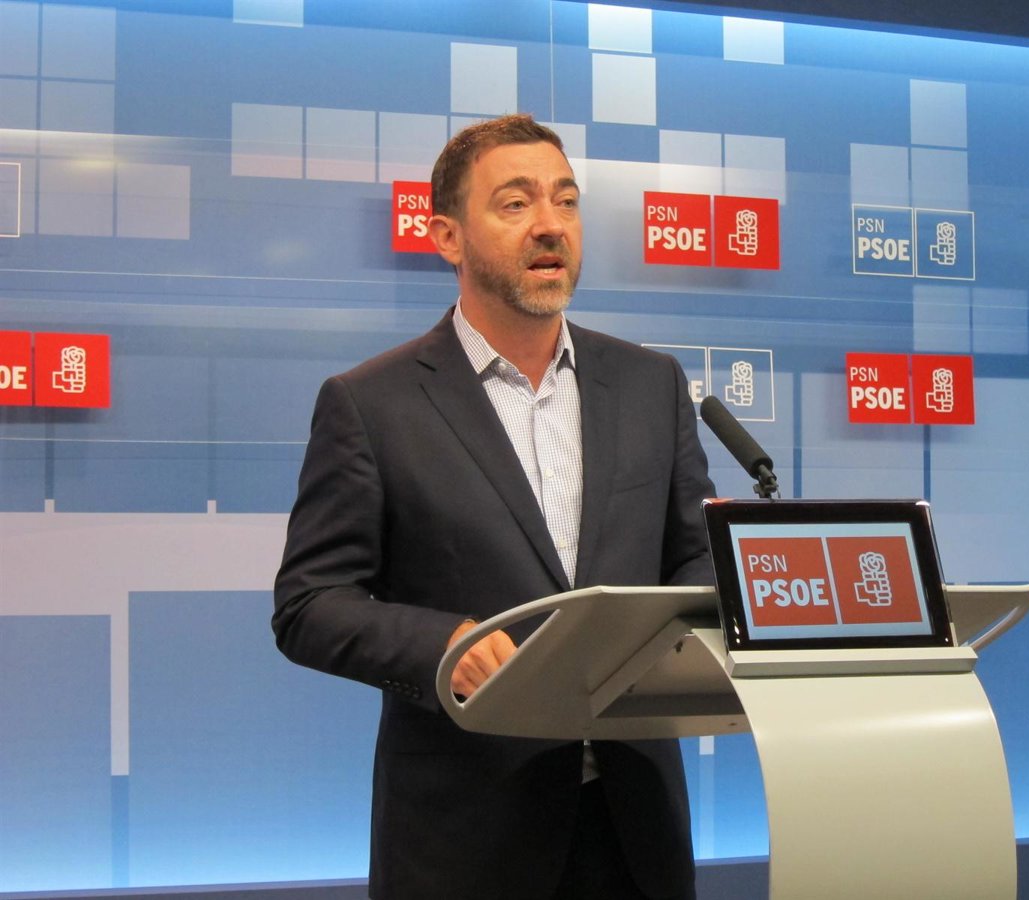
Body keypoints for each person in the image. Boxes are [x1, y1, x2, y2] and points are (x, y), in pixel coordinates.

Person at [273, 114, 715, 900]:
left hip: (635, 832)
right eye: (515, 203)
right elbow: (309, 604)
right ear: (446, 236)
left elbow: (695, 556)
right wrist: (444, 645)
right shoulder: (372, 404)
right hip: (465, 841)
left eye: (566, 201)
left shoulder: (650, 385)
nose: (550, 224)